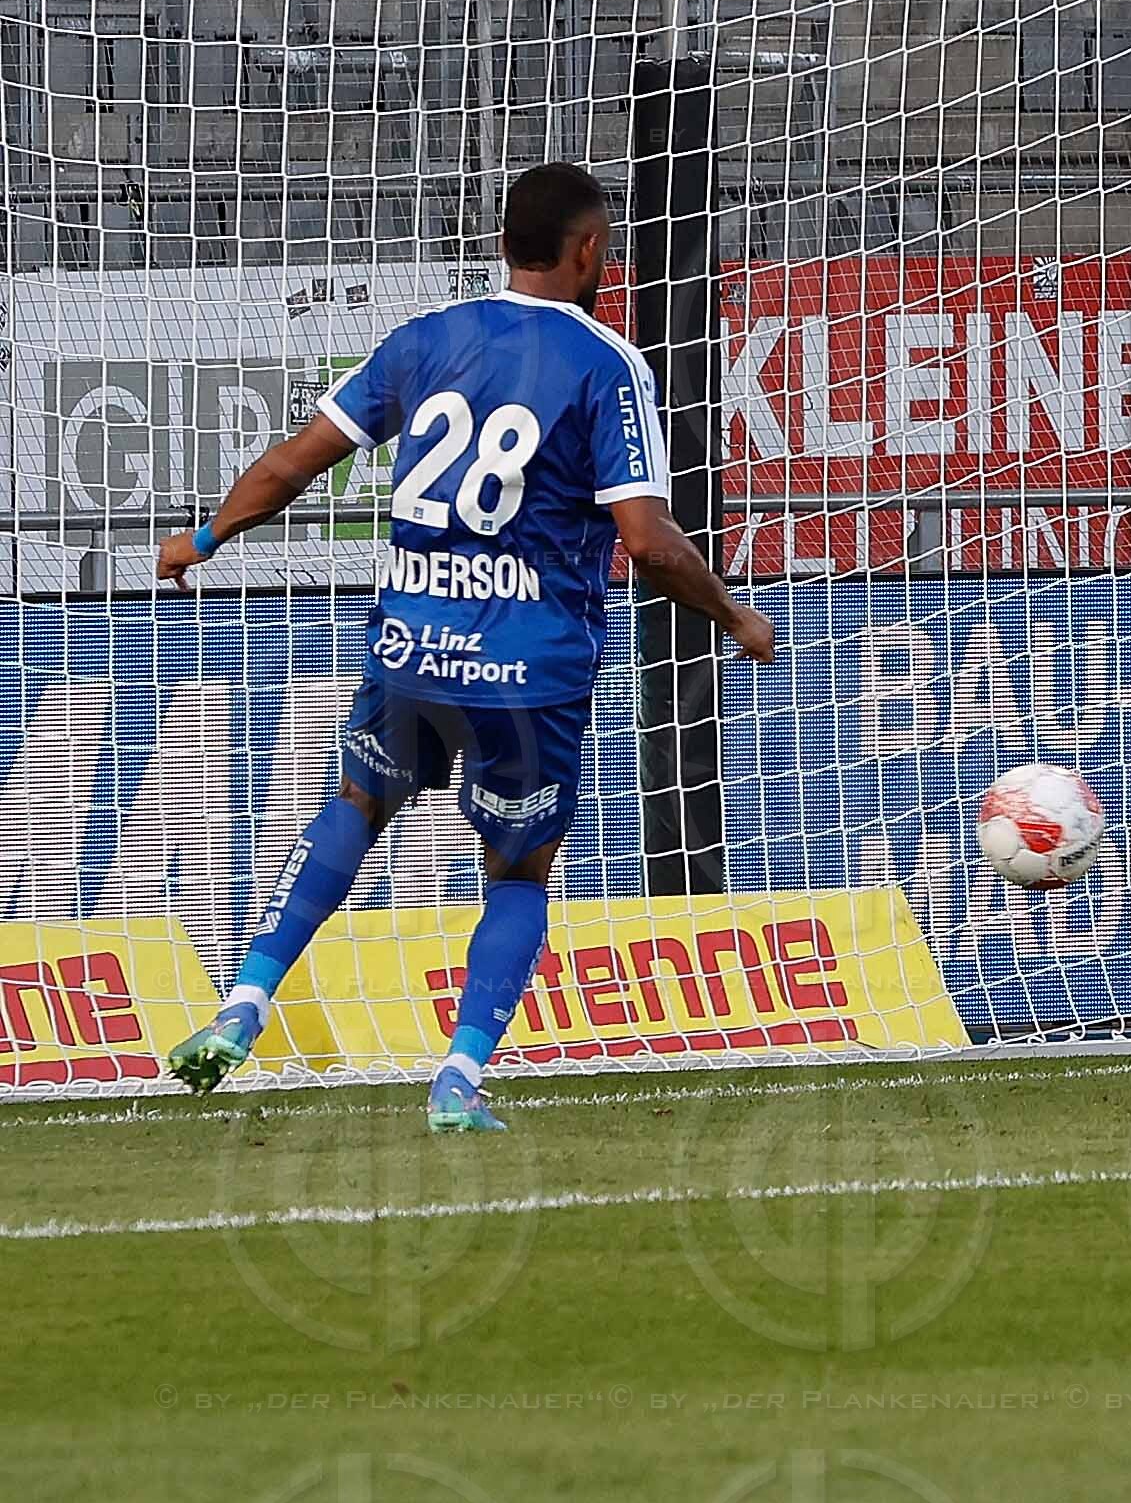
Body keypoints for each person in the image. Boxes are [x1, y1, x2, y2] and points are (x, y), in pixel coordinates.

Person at [160, 162, 776, 1130]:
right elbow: (648, 541)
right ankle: (457, 1074)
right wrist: (736, 617)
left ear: (501, 245)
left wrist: (201, 538)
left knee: (357, 806)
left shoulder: (425, 340)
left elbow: (291, 464)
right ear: (588, 252)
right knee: (518, 873)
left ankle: (243, 1002)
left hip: (411, 647)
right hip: (528, 670)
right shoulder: (608, 365)